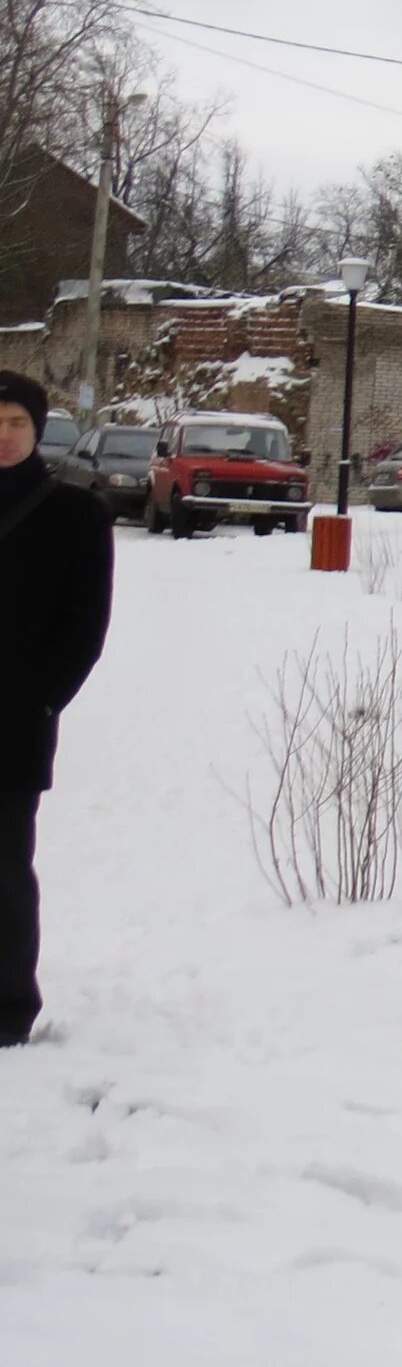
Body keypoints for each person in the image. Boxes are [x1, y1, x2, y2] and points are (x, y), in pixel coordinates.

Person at [0, 367, 114, 1048]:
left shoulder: (74, 514)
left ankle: (8, 1005)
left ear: (37, 430)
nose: (4, 436)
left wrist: (41, 700)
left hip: (12, 725)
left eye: (16, 423)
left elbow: (84, 627)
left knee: (4, 872)